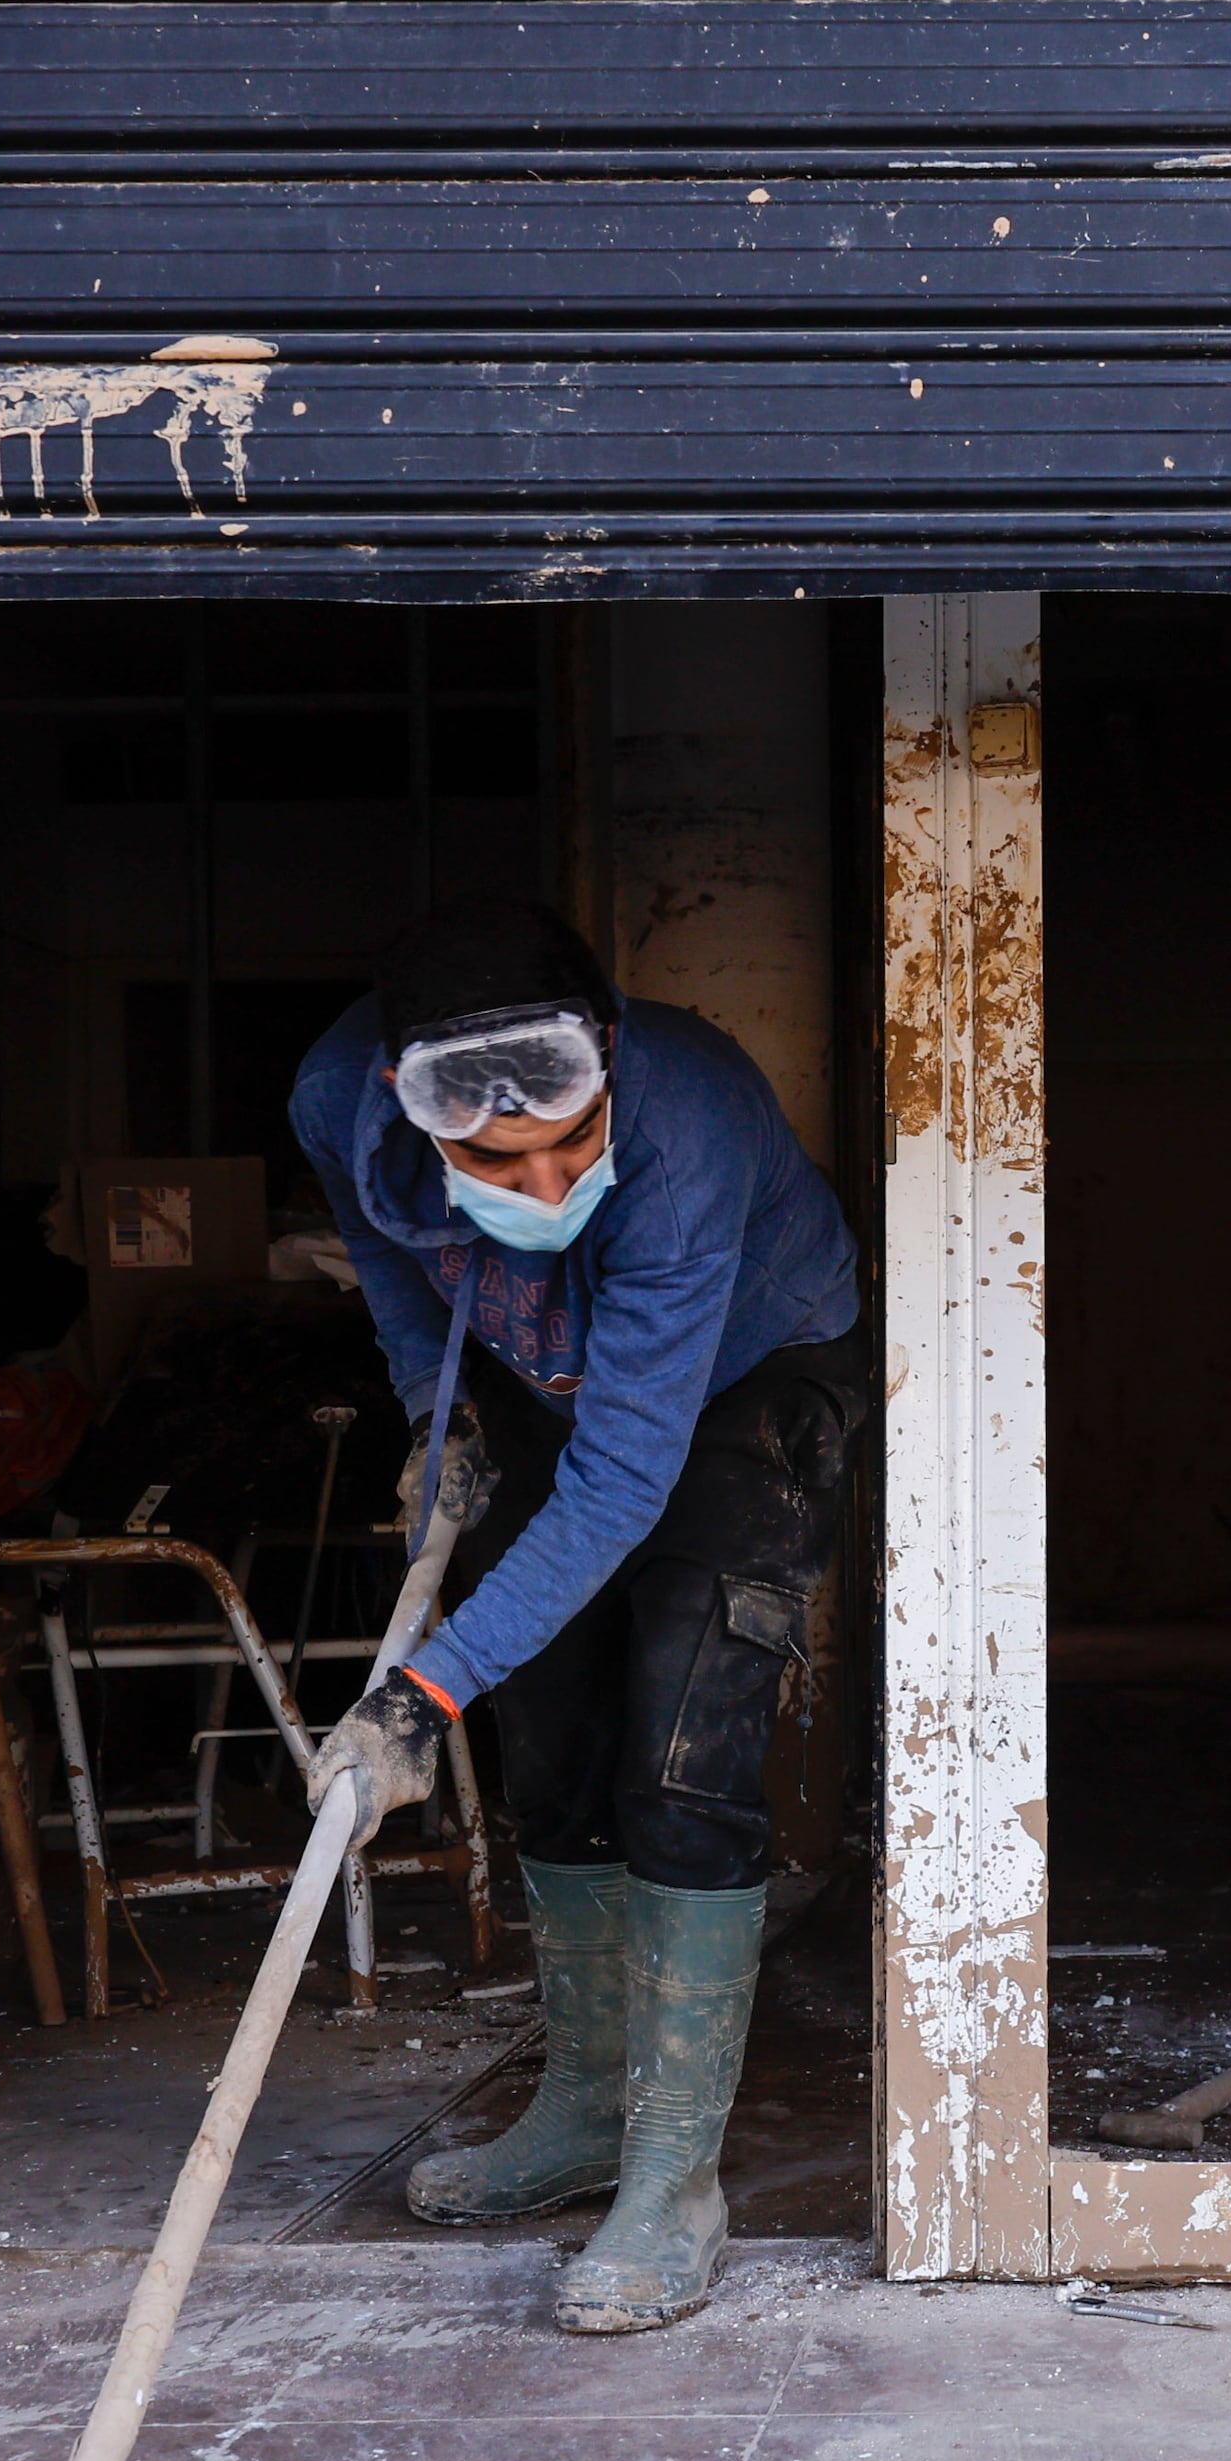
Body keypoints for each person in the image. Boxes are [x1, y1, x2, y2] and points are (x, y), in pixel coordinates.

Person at [297, 905, 863, 2332]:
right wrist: (437, 1411)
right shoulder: (331, 1099)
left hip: (751, 1375)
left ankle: (673, 2182)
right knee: (551, 1742)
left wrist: (419, 1693)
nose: (542, 1176)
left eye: (569, 1136)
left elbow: (622, 1480)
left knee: (679, 1752)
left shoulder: (692, 1124)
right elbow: (389, 1262)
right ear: (402, 1103)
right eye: (492, 1159)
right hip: (526, 1367)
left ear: (609, 1058)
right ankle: (584, 2117)